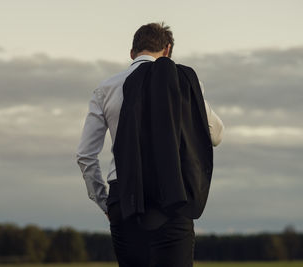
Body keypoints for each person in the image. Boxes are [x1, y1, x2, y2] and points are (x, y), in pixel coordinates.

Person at [76, 22, 224, 267]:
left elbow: (85, 155)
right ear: (167, 50)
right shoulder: (183, 82)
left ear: (132, 52)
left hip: (123, 198)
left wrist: (106, 201)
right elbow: (216, 135)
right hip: (174, 196)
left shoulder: (106, 88)